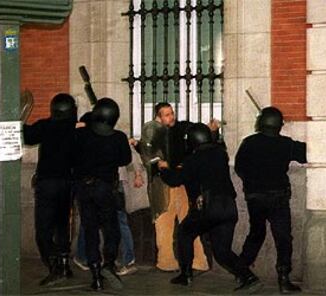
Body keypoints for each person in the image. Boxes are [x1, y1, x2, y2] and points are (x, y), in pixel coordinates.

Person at [158, 123, 263, 293]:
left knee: (185, 233)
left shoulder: (193, 160)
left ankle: (185, 275)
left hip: (207, 207)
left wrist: (163, 170)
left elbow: (175, 180)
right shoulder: (220, 154)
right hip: (228, 207)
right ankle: (249, 277)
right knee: (222, 251)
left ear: (192, 141)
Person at [235, 106, 306, 294]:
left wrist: (251, 182)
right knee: (283, 238)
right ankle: (284, 278)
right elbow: (306, 154)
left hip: (255, 198)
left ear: (261, 123)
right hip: (278, 198)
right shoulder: (286, 144)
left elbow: (239, 168)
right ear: (279, 126)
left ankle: (243, 270)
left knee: (256, 234)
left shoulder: (249, 142)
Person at [138, 102, 208, 272]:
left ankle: (198, 260)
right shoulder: (152, 131)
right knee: (164, 224)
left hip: (180, 182)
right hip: (162, 185)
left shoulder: (178, 130)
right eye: (167, 114)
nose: (171, 117)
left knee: (187, 221)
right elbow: (149, 159)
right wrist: (165, 165)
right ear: (158, 116)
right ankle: (166, 260)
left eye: (172, 113)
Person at [74, 98, 131, 291]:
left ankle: (96, 274)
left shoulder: (81, 135)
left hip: (83, 188)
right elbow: (125, 159)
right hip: (106, 188)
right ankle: (108, 264)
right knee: (111, 229)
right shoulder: (118, 137)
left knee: (90, 230)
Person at [23, 93, 77, 286]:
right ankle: (64, 264)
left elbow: (27, 136)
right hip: (68, 183)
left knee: (43, 229)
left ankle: (55, 267)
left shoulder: (45, 126)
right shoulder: (75, 130)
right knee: (63, 226)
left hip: (47, 184)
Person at [73, 139, 144, 276]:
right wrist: (137, 173)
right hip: (114, 185)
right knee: (118, 221)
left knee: (90, 221)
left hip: (98, 185)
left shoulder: (89, 139)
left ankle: (84, 256)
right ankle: (126, 259)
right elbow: (132, 156)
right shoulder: (116, 137)